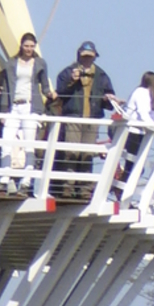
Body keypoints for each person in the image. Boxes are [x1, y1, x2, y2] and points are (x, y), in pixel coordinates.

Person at [52, 40, 115, 197]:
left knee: (87, 154)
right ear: (79, 56)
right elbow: (59, 93)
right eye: (84, 56)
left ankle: (85, 189)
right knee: (71, 152)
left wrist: (108, 99)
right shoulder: (67, 72)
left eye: (90, 56)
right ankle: (67, 187)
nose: (87, 59)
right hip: (73, 117)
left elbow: (109, 99)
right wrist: (72, 81)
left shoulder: (101, 75)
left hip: (92, 119)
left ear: (95, 57)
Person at [0, 33, 53, 195]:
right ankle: (4, 178)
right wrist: (3, 110)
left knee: (29, 145)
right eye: (26, 46)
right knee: (6, 142)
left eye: (31, 46)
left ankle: (26, 180)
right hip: (14, 106)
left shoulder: (40, 63)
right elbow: (6, 86)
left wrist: (50, 94)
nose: (29, 49)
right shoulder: (11, 63)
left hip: (30, 106)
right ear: (21, 46)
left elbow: (44, 85)